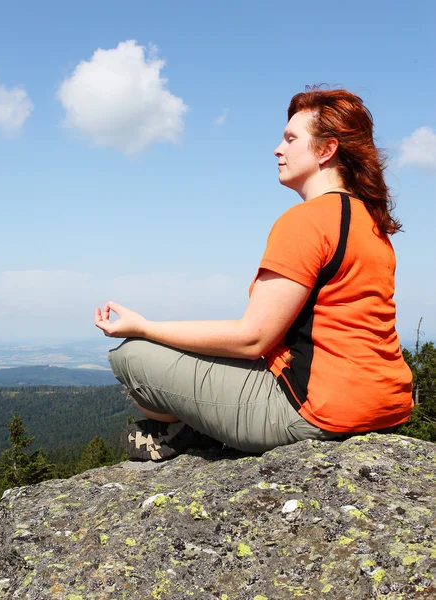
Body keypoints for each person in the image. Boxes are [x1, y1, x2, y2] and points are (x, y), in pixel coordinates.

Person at [94, 86, 413, 461]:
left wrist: (144, 327)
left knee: (132, 356)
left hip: (316, 412)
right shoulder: (369, 221)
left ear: (326, 150)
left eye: (291, 138)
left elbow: (252, 339)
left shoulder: (308, 220)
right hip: (383, 405)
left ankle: (186, 431)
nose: (278, 149)